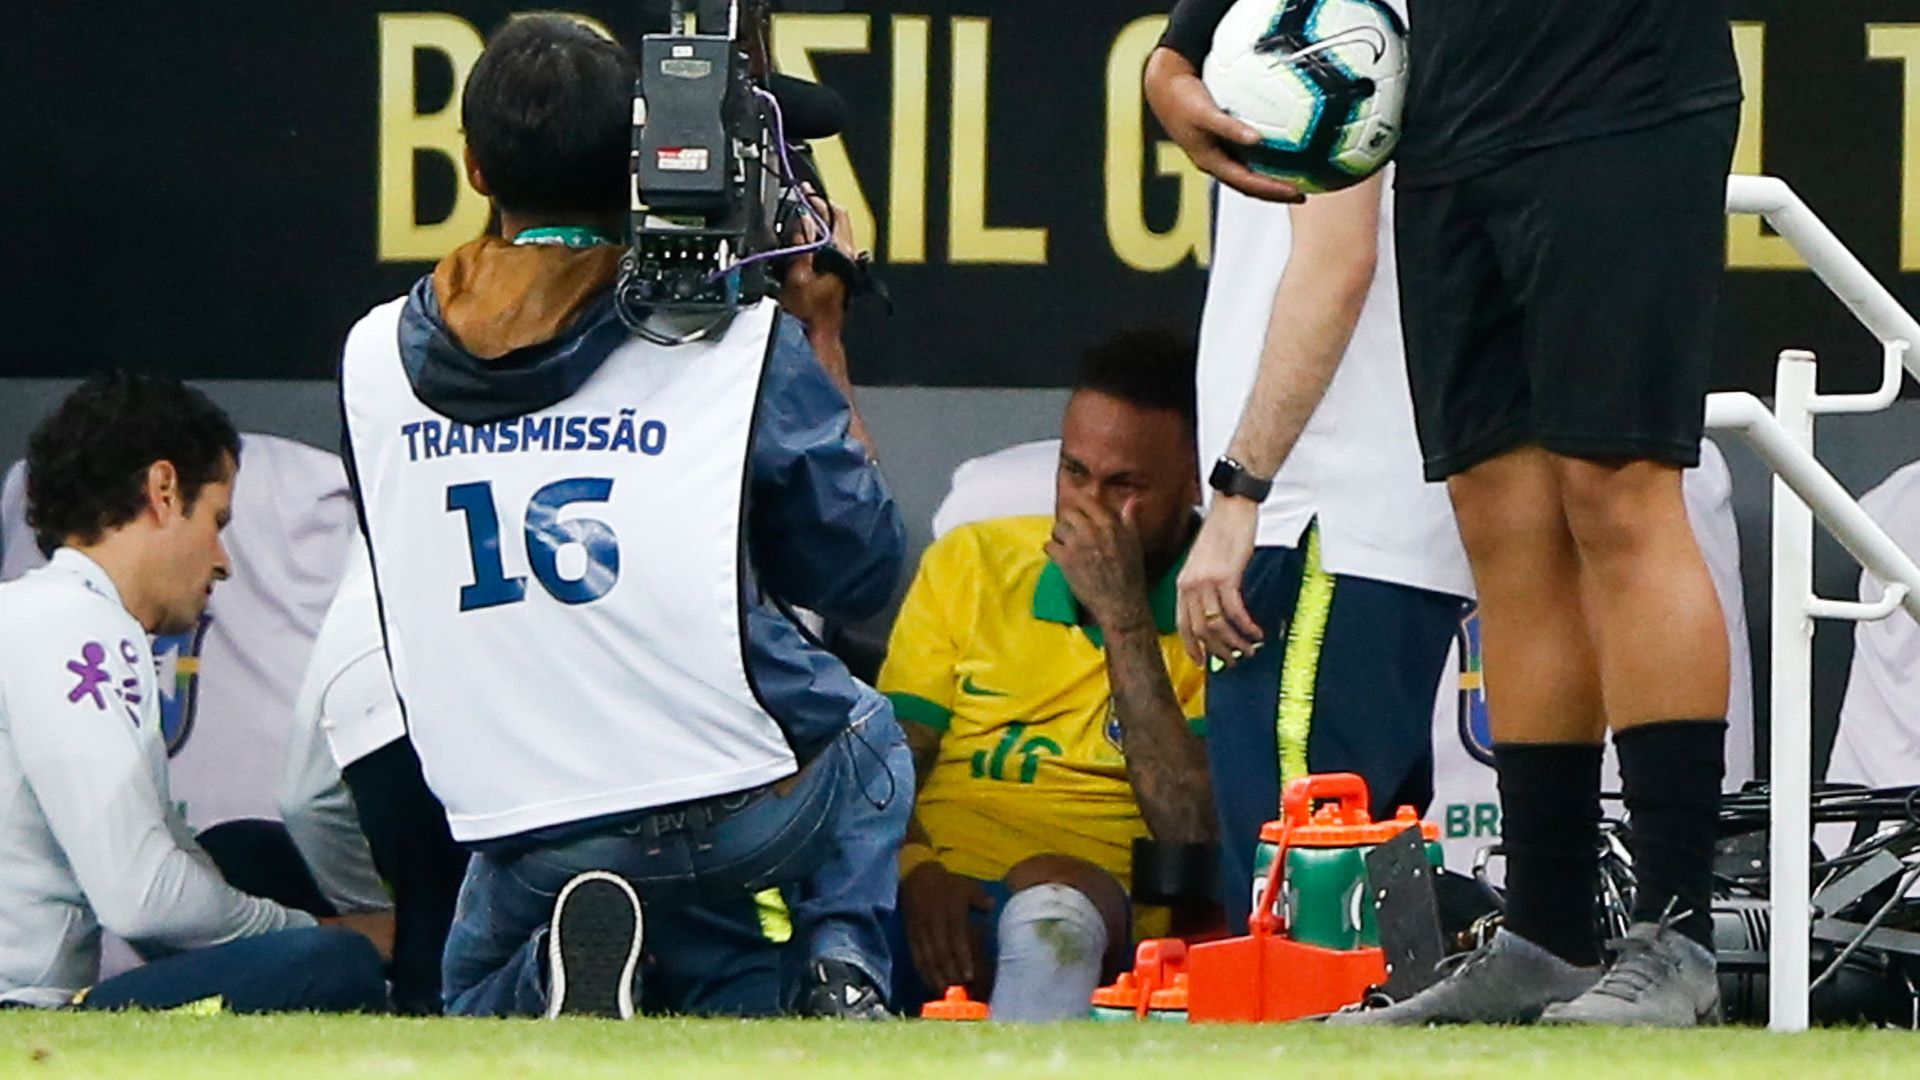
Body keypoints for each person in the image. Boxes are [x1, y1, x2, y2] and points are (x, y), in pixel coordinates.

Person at [1154, 0, 1743, 1027]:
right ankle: (1548, 935)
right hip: (1454, 101)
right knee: (1501, 518)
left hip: (1621, 82)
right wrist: (1178, 47)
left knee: (1618, 487)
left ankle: (1675, 932)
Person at [337, 14, 908, 1020]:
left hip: (529, 822)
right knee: (870, 739)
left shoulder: (373, 358)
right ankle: (841, 975)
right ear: (644, 163)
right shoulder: (737, 343)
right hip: (745, 807)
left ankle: (567, 971)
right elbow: (858, 576)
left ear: (472, 169)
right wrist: (812, 323)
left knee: (470, 1002)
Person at [1144, 0, 1473, 938]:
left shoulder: (1342, 14)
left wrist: (1239, 493)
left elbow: (1338, 259)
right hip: (1363, 522)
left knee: (1298, 933)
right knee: (1370, 940)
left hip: (1320, 519)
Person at [0, 373, 388, 1013]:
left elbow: (163, 868)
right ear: (162, 490)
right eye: (217, 520)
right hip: (24, 1013)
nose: (222, 560)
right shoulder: (77, 625)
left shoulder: (43, 613)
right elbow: (140, 896)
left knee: (233, 853)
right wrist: (313, 930)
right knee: (333, 965)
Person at [878, 329, 1215, 1021]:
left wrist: (1123, 615)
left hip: (1097, 918)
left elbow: (1192, 828)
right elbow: (886, 765)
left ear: (1194, 479)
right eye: (1074, 473)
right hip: (935, 898)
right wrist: (916, 873)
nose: (1089, 506)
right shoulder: (969, 563)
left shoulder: (1221, 604)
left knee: (1052, 895)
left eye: (1124, 485)